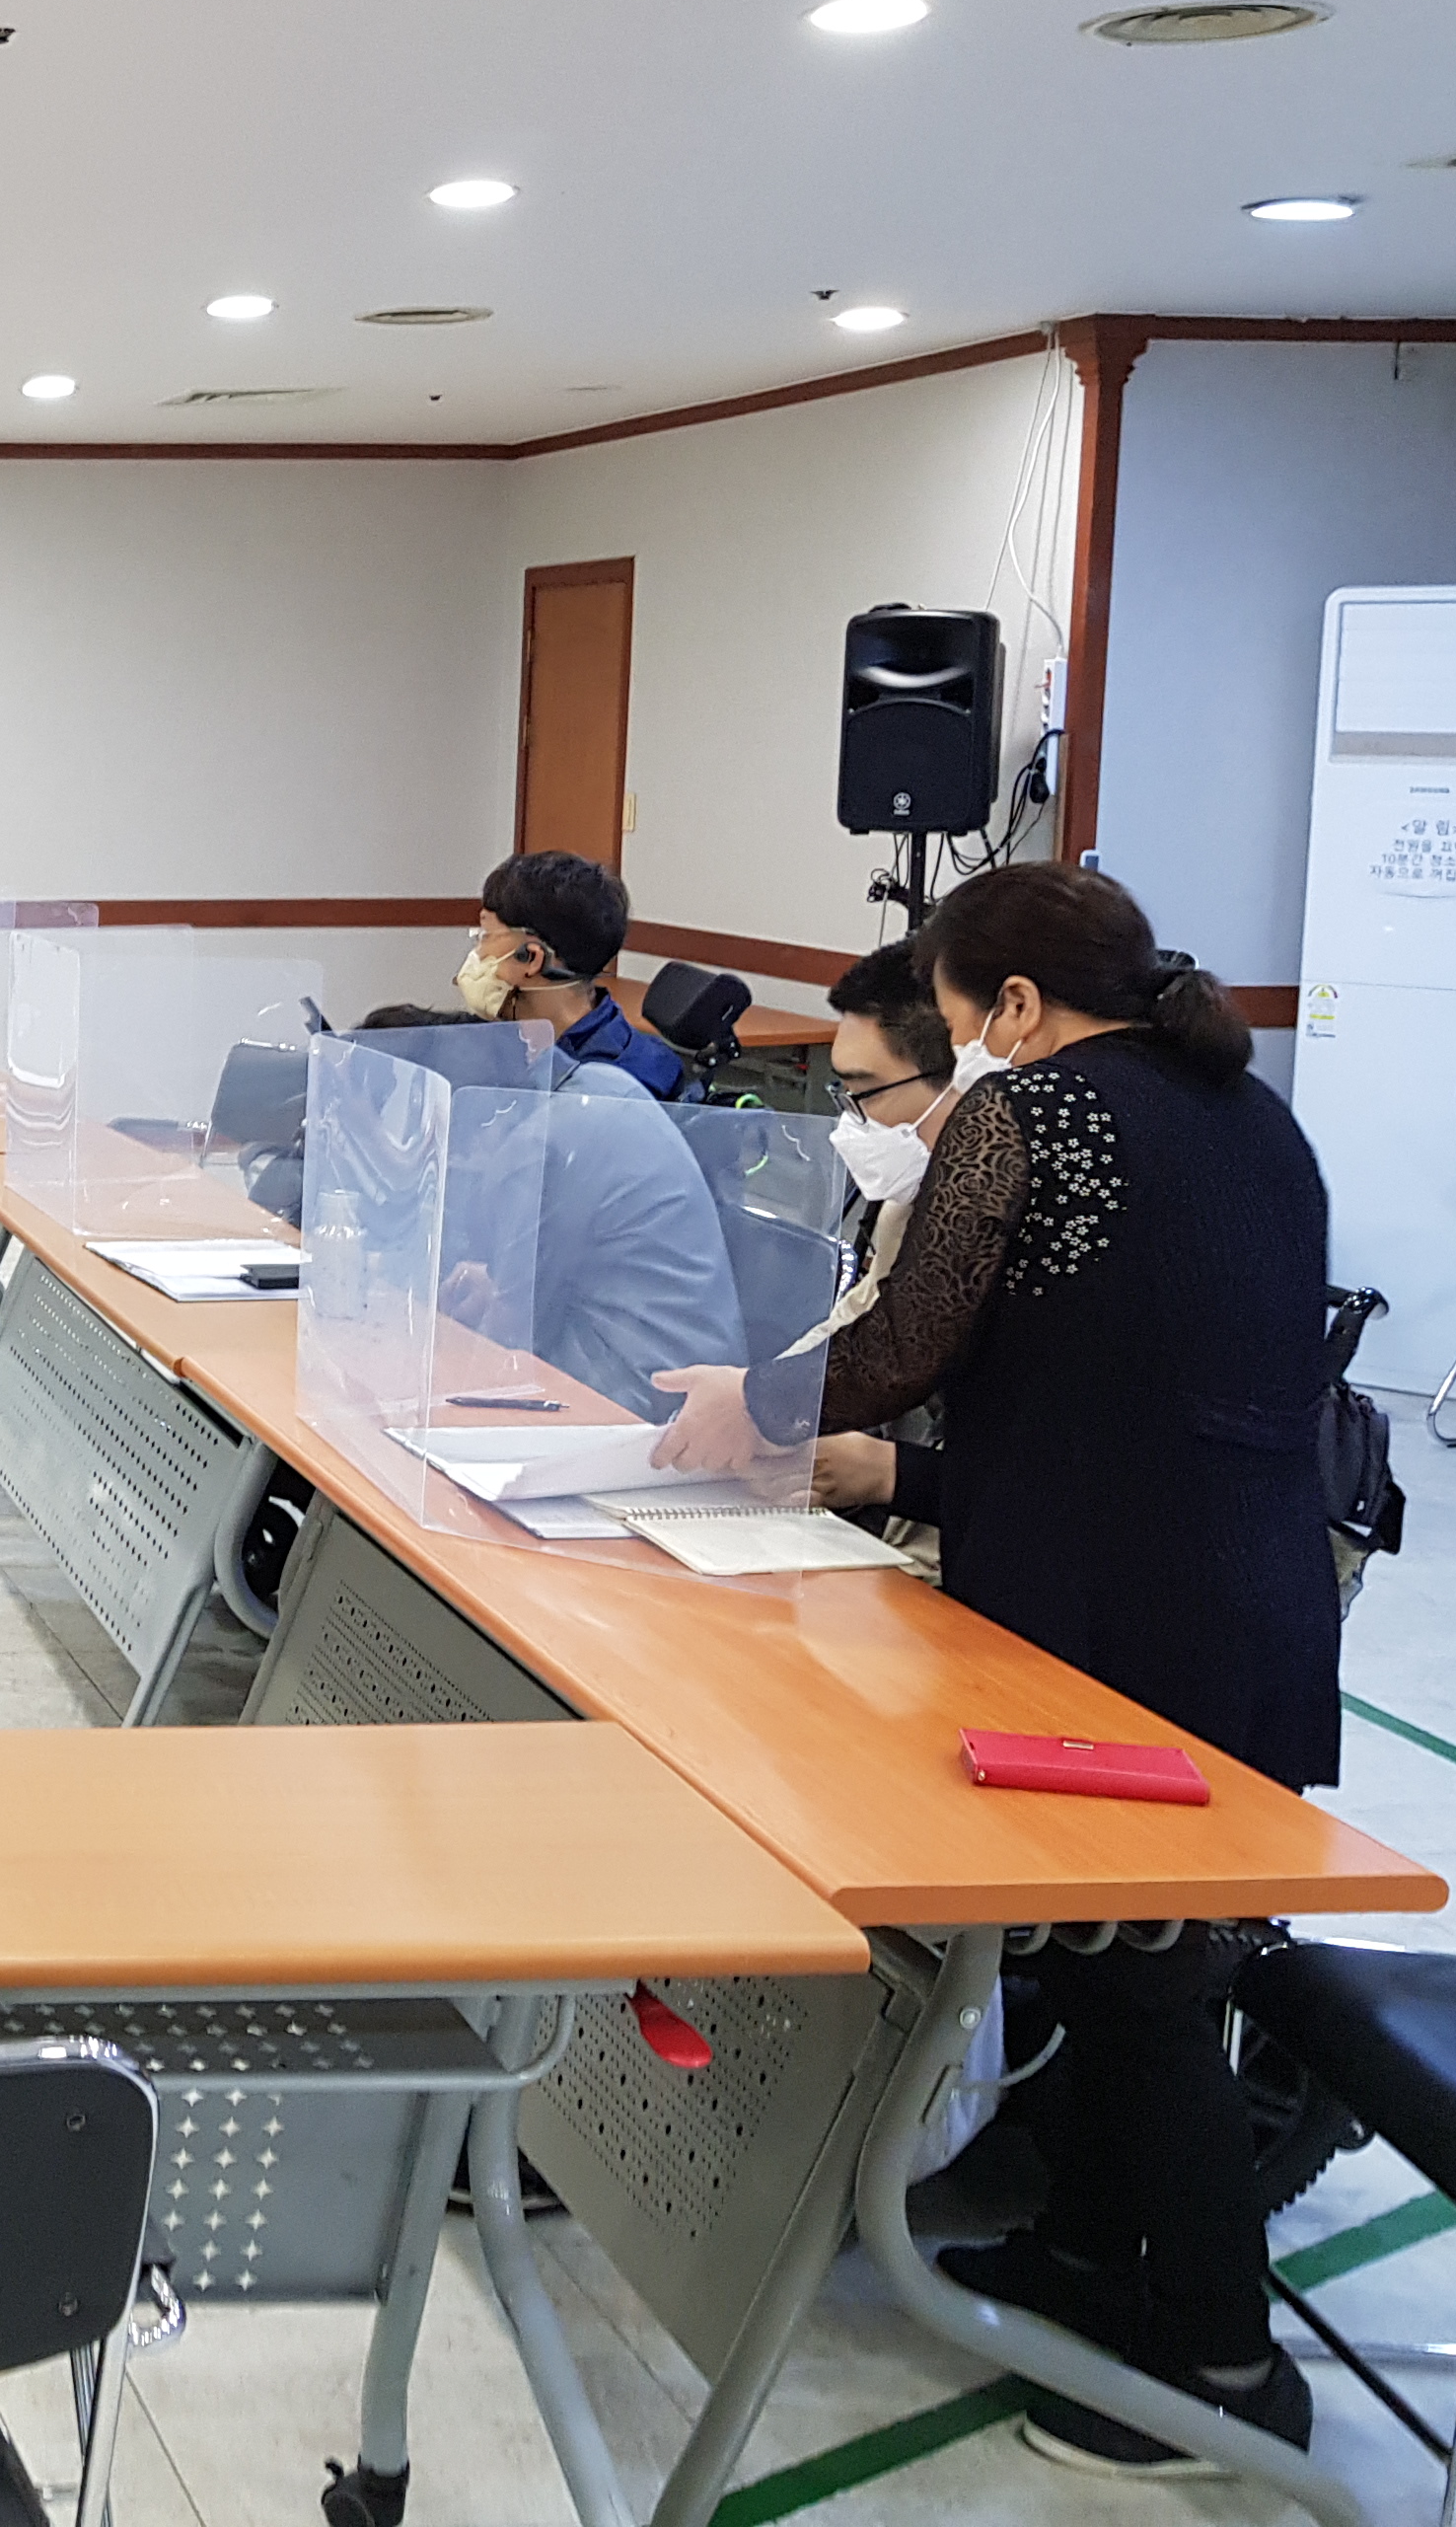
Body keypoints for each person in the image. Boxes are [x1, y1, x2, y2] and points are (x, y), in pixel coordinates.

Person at [739, 864, 1331, 2467]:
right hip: (1245, 1606)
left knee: (1144, 1987)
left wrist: (750, 1406)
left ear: (1010, 1003)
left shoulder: (1031, 1109)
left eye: (952, 1022)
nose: (962, 1055)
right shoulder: (1250, 1113)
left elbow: (905, 1345)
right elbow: (1123, 1386)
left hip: (1124, 1627)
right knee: (1111, 1957)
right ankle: (1079, 2255)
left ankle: (1221, 2366)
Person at [351, 1004, 743, 1422]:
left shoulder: (534, 1151)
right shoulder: (599, 1082)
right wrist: (500, 1288)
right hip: (697, 1375)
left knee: (391, 1410)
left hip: (641, 1401)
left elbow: (511, 1341)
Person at [799, 940, 960, 1549]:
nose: (853, 1121)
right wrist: (753, 1396)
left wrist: (888, 1474)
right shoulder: (908, 1202)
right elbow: (862, 1317)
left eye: (865, 1093)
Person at [459, 852, 691, 1100]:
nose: (478, 952)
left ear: (532, 958)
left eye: (487, 936)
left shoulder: (599, 1092)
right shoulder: (525, 1047)